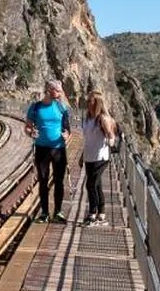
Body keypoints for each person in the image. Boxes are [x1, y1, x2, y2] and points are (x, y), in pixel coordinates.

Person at [25, 79, 72, 223]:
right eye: (57, 90)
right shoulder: (35, 107)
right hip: (41, 149)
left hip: (58, 149)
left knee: (59, 181)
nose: (59, 93)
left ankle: (58, 212)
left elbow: (67, 129)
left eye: (60, 91)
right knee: (43, 181)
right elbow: (27, 127)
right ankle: (44, 213)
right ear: (49, 90)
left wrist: (66, 135)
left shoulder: (62, 108)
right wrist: (31, 132)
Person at [81, 91, 119, 225]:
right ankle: (101, 214)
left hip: (101, 157)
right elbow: (88, 140)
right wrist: (82, 156)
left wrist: (111, 142)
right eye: (88, 101)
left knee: (90, 184)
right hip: (89, 156)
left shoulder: (102, 119)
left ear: (97, 103)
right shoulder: (88, 119)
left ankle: (92, 213)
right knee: (97, 185)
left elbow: (110, 135)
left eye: (90, 101)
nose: (88, 104)